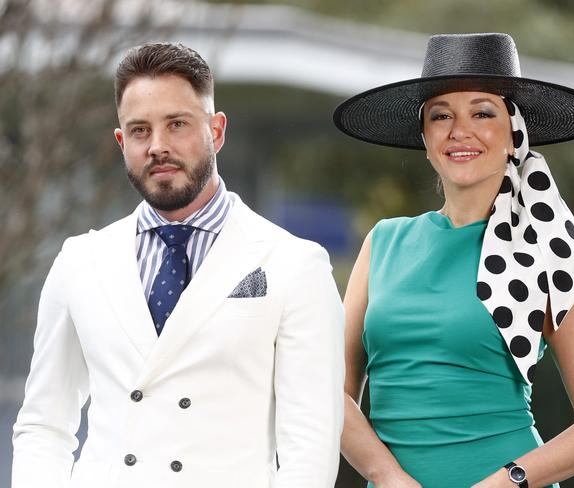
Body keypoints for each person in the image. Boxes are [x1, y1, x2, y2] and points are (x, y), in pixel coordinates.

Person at [12, 42, 344, 488]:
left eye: (178, 124)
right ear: (121, 141)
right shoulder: (80, 261)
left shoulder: (294, 264)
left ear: (217, 130)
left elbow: (310, 446)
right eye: (140, 130)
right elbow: (43, 425)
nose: (158, 146)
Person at [334, 33, 574, 488]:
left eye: (482, 112)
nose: (459, 130)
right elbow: (332, 391)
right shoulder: (384, 241)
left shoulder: (544, 249)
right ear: (426, 138)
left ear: (514, 135)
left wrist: (505, 482)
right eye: (441, 115)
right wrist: (387, 476)